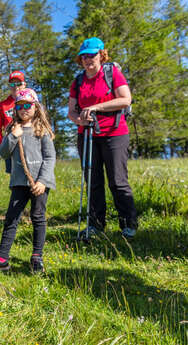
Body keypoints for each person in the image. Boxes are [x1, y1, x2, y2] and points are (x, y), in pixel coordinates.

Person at [67, 37, 138, 239]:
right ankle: (96, 225)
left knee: (117, 180)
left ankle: (128, 223)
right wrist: (79, 121)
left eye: (92, 55)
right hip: (87, 134)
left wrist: (96, 107)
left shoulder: (112, 73)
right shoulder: (78, 81)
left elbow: (125, 99)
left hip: (114, 134)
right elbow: (71, 111)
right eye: (84, 56)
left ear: (101, 55)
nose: (88, 59)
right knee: (93, 181)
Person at [0, 88, 56, 274]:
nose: (24, 109)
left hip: (39, 183)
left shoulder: (42, 131)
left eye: (28, 105)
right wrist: (13, 135)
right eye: (19, 106)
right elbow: (3, 152)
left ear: (36, 107)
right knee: (11, 218)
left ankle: (37, 257)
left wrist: (43, 180)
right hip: (19, 182)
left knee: (38, 217)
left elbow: (50, 157)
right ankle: (2, 259)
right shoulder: (12, 130)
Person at [0, 71, 26, 173]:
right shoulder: (3, 105)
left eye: (18, 84)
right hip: (11, 145)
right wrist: (3, 143)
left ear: (24, 85)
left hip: (28, 143)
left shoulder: (31, 101)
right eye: (12, 84)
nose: (15, 87)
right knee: (14, 176)